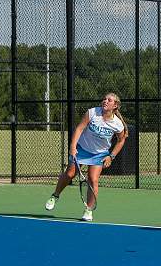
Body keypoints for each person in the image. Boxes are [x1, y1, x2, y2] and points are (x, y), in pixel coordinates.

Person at [45, 92, 128, 221]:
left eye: (109, 100)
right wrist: (73, 147)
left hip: (99, 153)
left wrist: (111, 156)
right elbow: (79, 129)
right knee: (70, 174)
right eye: (104, 98)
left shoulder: (117, 124)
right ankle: (55, 195)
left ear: (115, 105)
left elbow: (121, 140)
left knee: (93, 179)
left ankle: (89, 210)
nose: (105, 101)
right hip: (82, 148)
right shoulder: (92, 113)